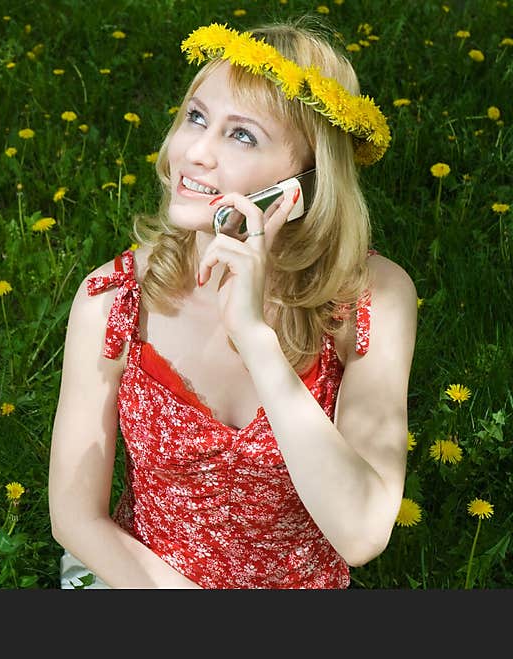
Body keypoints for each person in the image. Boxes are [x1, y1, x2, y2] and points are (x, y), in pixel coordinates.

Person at [48, 18, 418, 589]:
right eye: (196, 118)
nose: (195, 152)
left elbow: (361, 532)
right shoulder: (112, 299)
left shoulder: (371, 298)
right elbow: (75, 517)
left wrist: (256, 340)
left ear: (306, 183)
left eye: (241, 135)